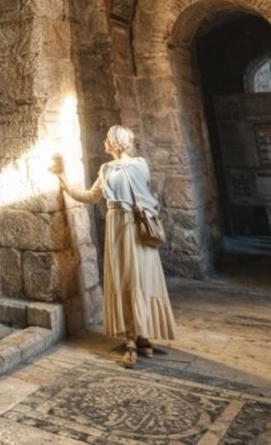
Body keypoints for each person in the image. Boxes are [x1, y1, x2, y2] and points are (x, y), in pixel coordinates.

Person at [50, 124, 176, 367]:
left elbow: (91, 197)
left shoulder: (107, 169)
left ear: (115, 143)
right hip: (141, 228)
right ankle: (143, 336)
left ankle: (130, 340)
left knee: (125, 278)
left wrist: (66, 186)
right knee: (143, 278)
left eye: (107, 139)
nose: (104, 143)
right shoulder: (141, 165)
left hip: (120, 226)